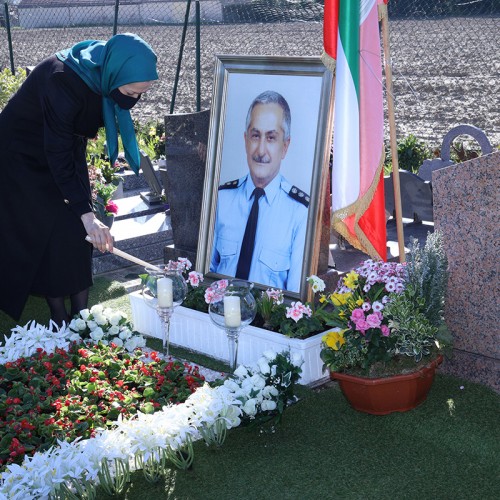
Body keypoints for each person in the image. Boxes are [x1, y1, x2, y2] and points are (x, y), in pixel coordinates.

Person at [0, 33, 158, 325]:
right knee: (52, 224)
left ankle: (81, 315)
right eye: (133, 93)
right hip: (21, 153)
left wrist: (86, 214)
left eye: (141, 94)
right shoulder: (62, 80)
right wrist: (86, 215)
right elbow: (56, 154)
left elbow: (68, 141)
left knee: (78, 221)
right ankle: (58, 316)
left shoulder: (106, 66)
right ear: (116, 75)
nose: (134, 101)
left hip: (63, 143)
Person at [210, 90, 309, 292]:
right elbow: (207, 273)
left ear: (285, 146)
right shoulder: (221, 199)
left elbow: (295, 295)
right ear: (246, 140)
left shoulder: (300, 213)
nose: (261, 151)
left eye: (271, 138)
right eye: (256, 136)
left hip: (268, 321)